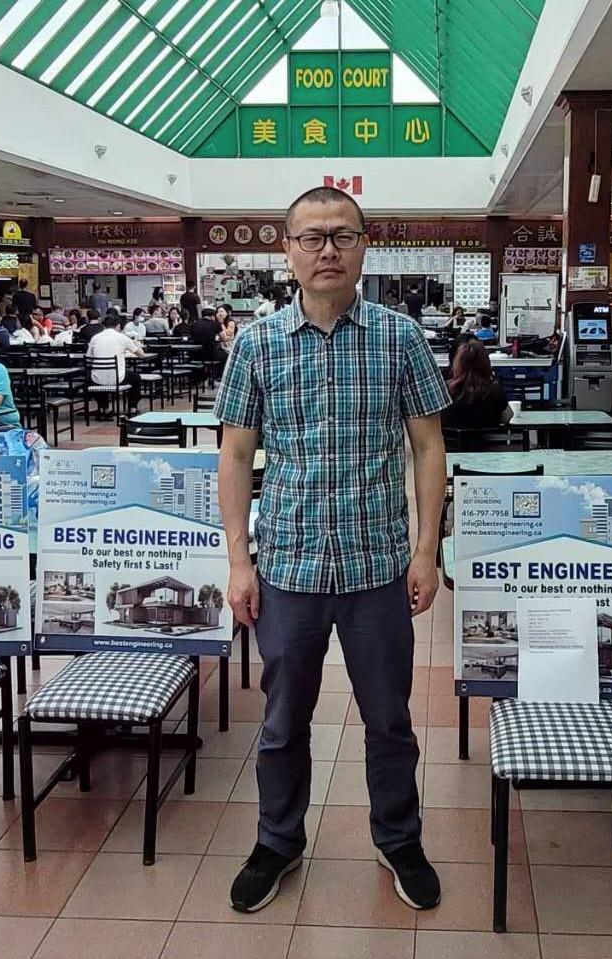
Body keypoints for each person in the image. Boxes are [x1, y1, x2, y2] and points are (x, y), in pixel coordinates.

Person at [216, 186, 448, 914]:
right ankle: (277, 840)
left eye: (342, 236)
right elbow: (235, 455)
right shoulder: (255, 344)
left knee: (390, 719)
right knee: (283, 721)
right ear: (287, 250)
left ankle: (399, 837)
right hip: (288, 565)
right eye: (312, 237)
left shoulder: (400, 337)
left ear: (363, 246)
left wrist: (425, 549)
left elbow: (428, 446)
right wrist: (239, 561)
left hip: (378, 565)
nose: (327, 250)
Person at [442, 339, 512, 429]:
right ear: (486, 364)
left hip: (450, 438)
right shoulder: (496, 391)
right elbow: (508, 417)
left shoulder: (445, 390)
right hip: (488, 438)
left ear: (457, 364)